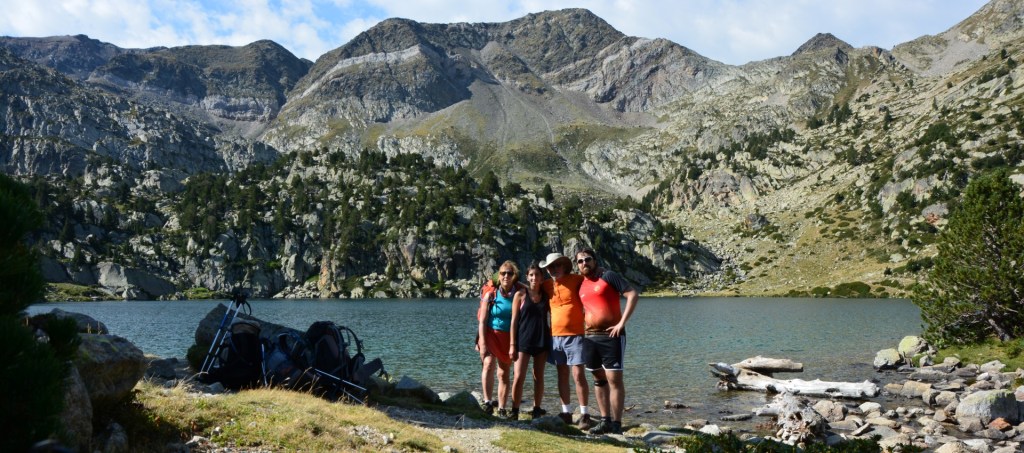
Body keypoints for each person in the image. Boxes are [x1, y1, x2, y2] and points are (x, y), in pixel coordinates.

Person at [575, 248, 639, 435]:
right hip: (590, 337)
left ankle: (617, 424)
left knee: (614, 379)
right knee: (598, 378)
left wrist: (621, 323)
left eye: (587, 259)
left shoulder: (608, 276)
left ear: (594, 261)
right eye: (580, 261)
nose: (584, 263)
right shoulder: (580, 284)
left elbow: (632, 294)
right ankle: (605, 421)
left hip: (612, 336)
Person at [539, 252, 593, 430]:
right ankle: (566, 412)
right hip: (555, 337)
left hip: (575, 335)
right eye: (550, 267)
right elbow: (528, 288)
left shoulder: (577, 279)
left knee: (578, 375)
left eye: (557, 265)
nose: (554, 269)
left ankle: (584, 414)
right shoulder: (546, 285)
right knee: (562, 374)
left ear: (564, 266)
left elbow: (593, 278)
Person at [476, 260, 524, 418]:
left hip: (508, 337)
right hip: (490, 333)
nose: (506, 276)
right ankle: (488, 402)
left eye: (509, 273)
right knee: (488, 365)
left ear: (514, 275)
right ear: (499, 275)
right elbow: (482, 321)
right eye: (503, 273)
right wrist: (482, 343)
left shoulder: (519, 293)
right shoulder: (491, 293)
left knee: (503, 373)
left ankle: (502, 408)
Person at [508, 262, 552, 420]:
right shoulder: (520, 295)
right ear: (527, 277)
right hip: (523, 340)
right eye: (531, 275)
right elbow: (514, 321)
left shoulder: (546, 296)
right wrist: (512, 345)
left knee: (538, 376)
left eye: (537, 275)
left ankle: (537, 408)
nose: (534, 278)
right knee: (518, 376)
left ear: (541, 277)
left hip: (541, 340)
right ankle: (514, 410)